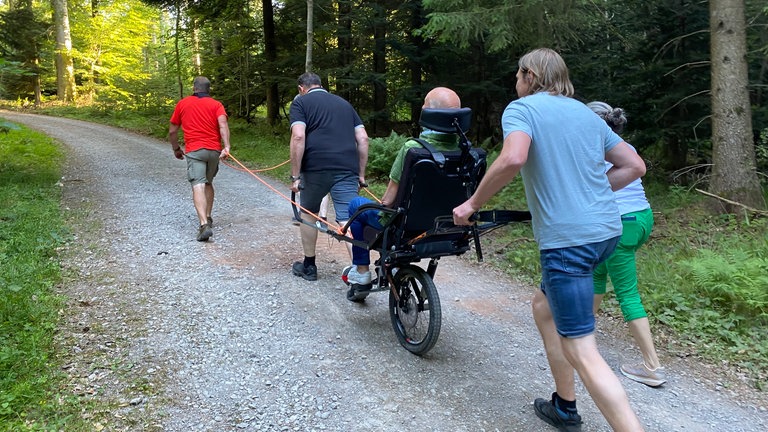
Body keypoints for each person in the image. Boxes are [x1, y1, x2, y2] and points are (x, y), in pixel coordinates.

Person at [452, 48, 646, 432]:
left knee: (581, 347)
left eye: (518, 75)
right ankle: (564, 405)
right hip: (606, 233)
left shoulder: (522, 109)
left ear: (530, 75)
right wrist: (590, 195)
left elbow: (512, 159)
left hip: (570, 243)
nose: (515, 82)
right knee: (544, 306)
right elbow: (635, 165)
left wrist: (472, 203)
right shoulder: (586, 115)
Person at [343, 87, 462, 292]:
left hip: (403, 226)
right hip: (446, 228)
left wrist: (381, 206)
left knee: (356, 204)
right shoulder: (467, 153)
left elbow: (388, 200)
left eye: (424, 103)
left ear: (431, 113)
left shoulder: (413, 149)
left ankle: (362, 271)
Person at [587, 101, 665, 387]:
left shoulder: (593, 150)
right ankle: (584, 337)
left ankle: (652, 366)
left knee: (627, 294)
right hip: (641, 218)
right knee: (597, 272)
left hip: (620, 224)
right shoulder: (624, 146)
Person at [289, 72, 370, 281]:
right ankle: (360, 273)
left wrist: (295, 177)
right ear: (321, 85)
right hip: (347, 167)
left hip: (315, 167)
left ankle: (309, 266)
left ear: (301, 88)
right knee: (348, 218)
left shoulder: (301, 103)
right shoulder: (344, 104)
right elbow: (363, 138)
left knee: (308, 213)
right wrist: (361, 175)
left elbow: (298, 136)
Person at [169, 76, 231, 242]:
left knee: (198, 185)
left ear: (194, 88)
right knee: (208, 182)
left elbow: (173, 131)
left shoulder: (183, 103)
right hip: (213, 151)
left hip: (195, 150)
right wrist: (227, 146)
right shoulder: (216, 104)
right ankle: (209, 216)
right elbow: (223, 124)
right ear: (208, 89)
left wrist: (176, 148)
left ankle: (204, 224)